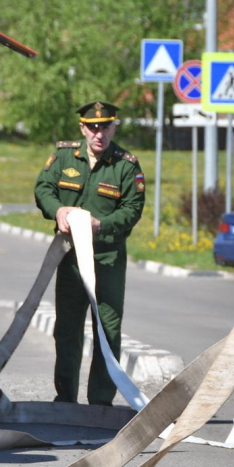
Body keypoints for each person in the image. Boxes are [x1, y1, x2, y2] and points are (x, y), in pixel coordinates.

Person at [34, 101, 145, 406]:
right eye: (93, 127)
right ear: (82, 127)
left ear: (114, 126)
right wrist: (57, 211)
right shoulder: (64, 156)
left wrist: (101, 225)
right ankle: (65, 399)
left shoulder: (126, 165)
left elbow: (132, 210)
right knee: (66, 329)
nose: (99, 133)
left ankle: (100, 402)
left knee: (107, 331)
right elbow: (43, 188)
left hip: (106, 260)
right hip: (69, 261)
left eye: (105, 126)